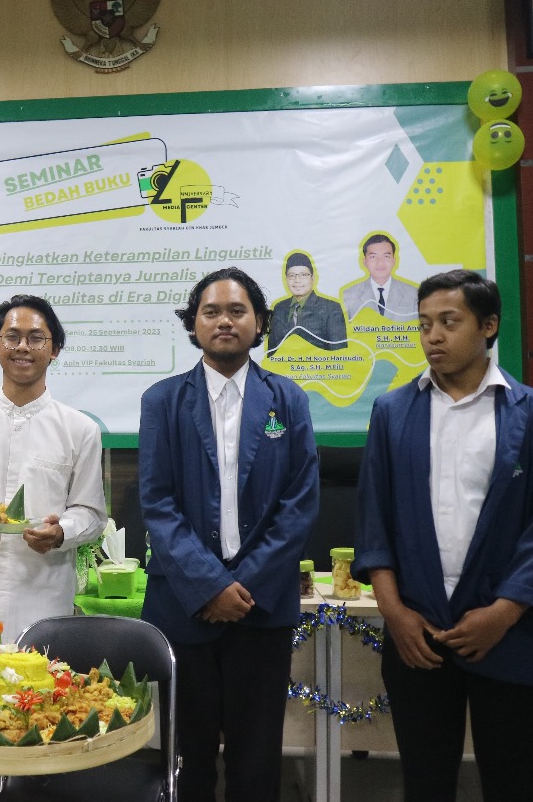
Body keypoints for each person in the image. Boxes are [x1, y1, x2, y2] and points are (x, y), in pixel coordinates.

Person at [353, 269, 533, 802]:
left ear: (489, 326)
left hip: (508, 634)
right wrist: (394, 613)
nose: (432, 336)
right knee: (426, 785)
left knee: (515, 784)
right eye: (424, 324)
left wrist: (503, 613)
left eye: (449, 322)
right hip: (418, 635)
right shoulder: (392, 413)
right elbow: (374, 520)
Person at [139, 267, 319, 802]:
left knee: (257, 762)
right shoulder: (162, 400)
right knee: (187, 761)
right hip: (184, 608)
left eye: (237, 311)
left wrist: (245, 586)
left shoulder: (289, 399)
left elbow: (299, 504)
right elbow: (157, 503)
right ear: (193, 323)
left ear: (259, 323)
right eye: (211, 311)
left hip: (261, 611)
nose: (224, 321)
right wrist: (210, 586)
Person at [0, 294, 106, 643]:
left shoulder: (80, 429)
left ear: (55, 350)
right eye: (12, 337)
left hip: (44, 613)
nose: (23, 346)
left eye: (36, 338)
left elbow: (91, 512)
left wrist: (61, 533)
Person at [266, 251, 347, 353]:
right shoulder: (279, 308)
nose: (297, 280)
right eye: (292, 275)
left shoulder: (331, 308)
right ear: (286, 279)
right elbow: (271, 354)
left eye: (303, 275)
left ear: (313, 278)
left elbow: (339, 354)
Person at [340, 232, 419, 321]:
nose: (380, 263)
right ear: (364, 262)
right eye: (373, 257)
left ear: (394, 261)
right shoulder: (349, 295)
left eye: (386, 256)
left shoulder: (413, 294)